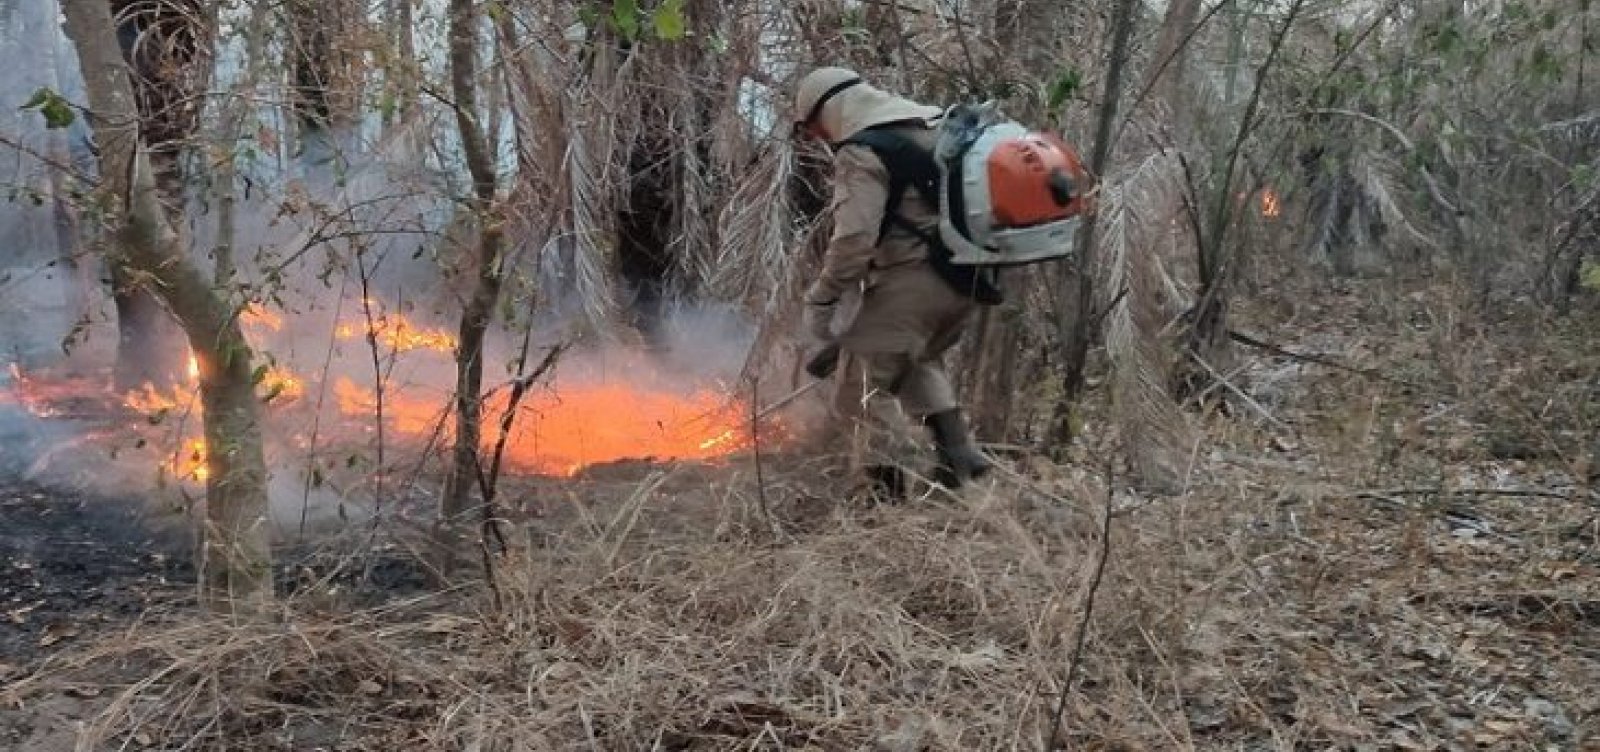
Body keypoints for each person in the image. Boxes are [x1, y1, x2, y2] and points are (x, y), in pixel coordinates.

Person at [791, 66, 992, 495]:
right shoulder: (936, 127)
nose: (820, 139)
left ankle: (886, 491)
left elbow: (855, 239)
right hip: (968, 279)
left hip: (915, 280)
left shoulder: (864, 151)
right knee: (917, 363)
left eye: (814, 128)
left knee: (857, 387)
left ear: (830, 110)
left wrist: (823, 298)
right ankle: (961, 461)